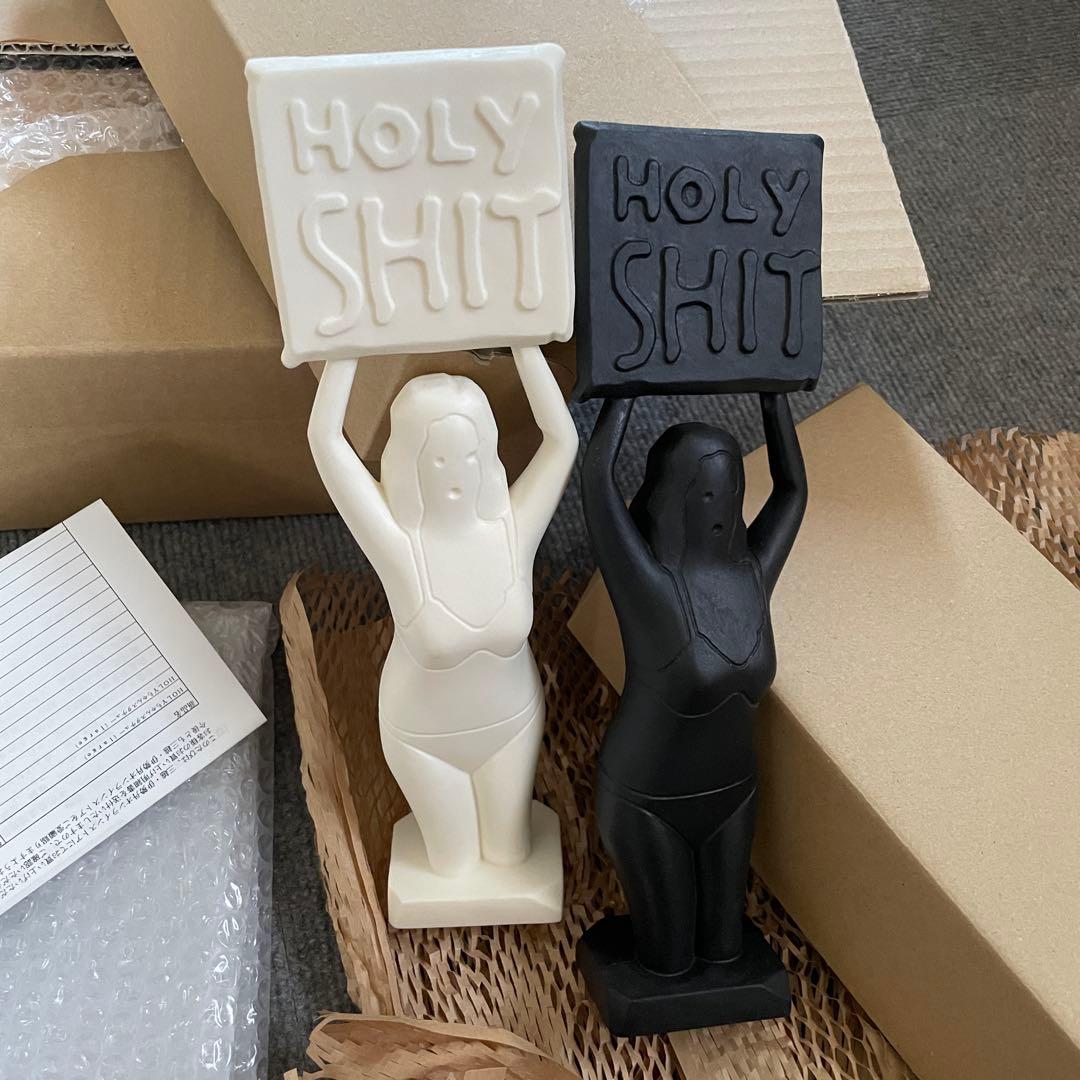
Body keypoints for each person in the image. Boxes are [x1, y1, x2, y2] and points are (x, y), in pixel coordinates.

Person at [307, 347, 578, 877]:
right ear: (411, 464)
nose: (456, 476)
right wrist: (343, 349)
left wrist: (525, 345)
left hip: (512, 728)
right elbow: (326, 442)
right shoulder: (399, 544)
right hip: (424, 740)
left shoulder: (513, 529)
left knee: (511, 858)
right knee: (451, 867)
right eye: (438, 461)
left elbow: (561, 442)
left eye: (468, 457)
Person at [581, 392, 806, 974]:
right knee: (669, 959)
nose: (720, 506)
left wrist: (774, 398)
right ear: (675, 497)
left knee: (726, 952)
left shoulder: (751, 574)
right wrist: (622, 391)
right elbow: (598, 488)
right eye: (706, 494)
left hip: (734, 796)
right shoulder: (651, 582)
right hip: (648, 800)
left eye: (730, 492)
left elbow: (792, 493)